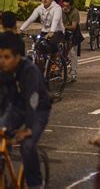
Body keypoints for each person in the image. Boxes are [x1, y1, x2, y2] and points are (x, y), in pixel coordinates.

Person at [0, 34, 52, 188]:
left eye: (7, 57)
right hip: (16, 107)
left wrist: (28, 129)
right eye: (0, 56)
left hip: (38, 110)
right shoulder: (4, 70)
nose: (2, 60)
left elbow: (32, 101)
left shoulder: (30, 71)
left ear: (18, 57)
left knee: (27, 145)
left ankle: (36, 184)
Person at [62, 0, 83, 82]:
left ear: (71, 6)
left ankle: (74, 72)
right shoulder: (60, 11)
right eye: (64, 6)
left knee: (72, 53)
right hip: (63, 33)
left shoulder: (75, 12)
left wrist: (64, 27)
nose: (65, 8)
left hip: (73, 34)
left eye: (67, 6)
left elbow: (73, 27)